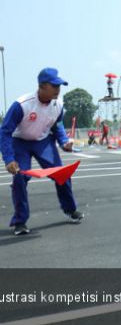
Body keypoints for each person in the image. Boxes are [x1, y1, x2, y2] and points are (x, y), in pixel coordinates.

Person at [0, 68, 84, 235]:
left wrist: (64, 142)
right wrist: (9, 159)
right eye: (54, 86)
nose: (58, 89)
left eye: (59, 85)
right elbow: (5, 131)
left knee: (62, 174)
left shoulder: (58, 104)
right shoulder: (22, 105)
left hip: (43, 142)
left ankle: (70, 209)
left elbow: (57, 125)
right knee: (20, 177)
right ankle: (20, 222)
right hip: (20, 143)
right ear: (42, 86)